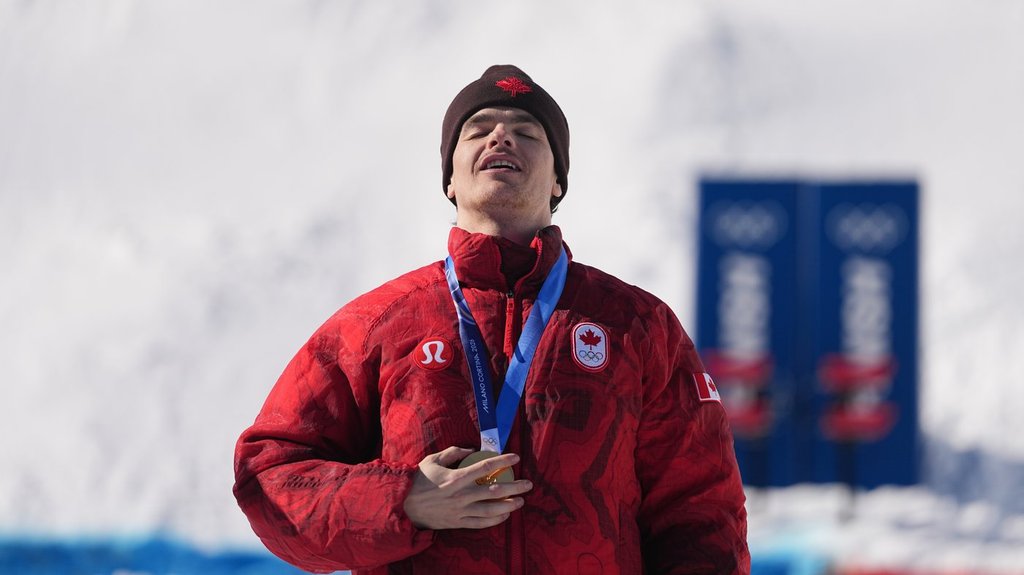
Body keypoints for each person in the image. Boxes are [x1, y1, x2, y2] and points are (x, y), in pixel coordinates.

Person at [233, 64, 750, 575]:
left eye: (527, 132)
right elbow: (270, 476)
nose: (501, 137)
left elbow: (702, 512)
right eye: (478, 131)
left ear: (556, 183)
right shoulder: (377, 325)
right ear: (451, 182)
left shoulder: (638, 325)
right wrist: (403, 499)